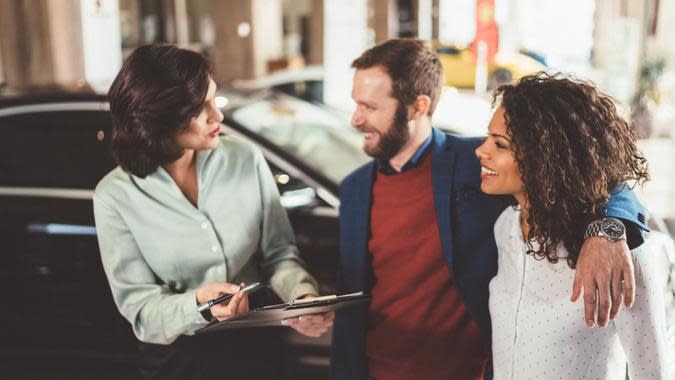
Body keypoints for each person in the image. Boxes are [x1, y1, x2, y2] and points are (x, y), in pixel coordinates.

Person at [331, 39, 648, 380]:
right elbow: (357, 291)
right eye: (355, 104)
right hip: (376, 371)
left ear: (417, 107)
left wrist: (607, 230)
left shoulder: (482, 163)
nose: (355, 119)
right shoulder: (353, 189)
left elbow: (604, 182)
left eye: (370, 107)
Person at [93, 45, 332, 379]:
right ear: (160, 118)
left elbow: (278, 255)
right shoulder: (114, 196)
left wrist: (302, 297)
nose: (217, 116)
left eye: (214, 99)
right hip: (180, 361)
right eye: (198, 109)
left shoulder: (245, 157)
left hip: (259, 347)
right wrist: (198, 305)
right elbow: (142, 311)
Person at [476, 72, 670, 379]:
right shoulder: (506, 228)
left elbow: (654, 370)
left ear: (545, 157)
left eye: (499, 145)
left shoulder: (618, 254)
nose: (480, 150)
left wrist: (609, 228)